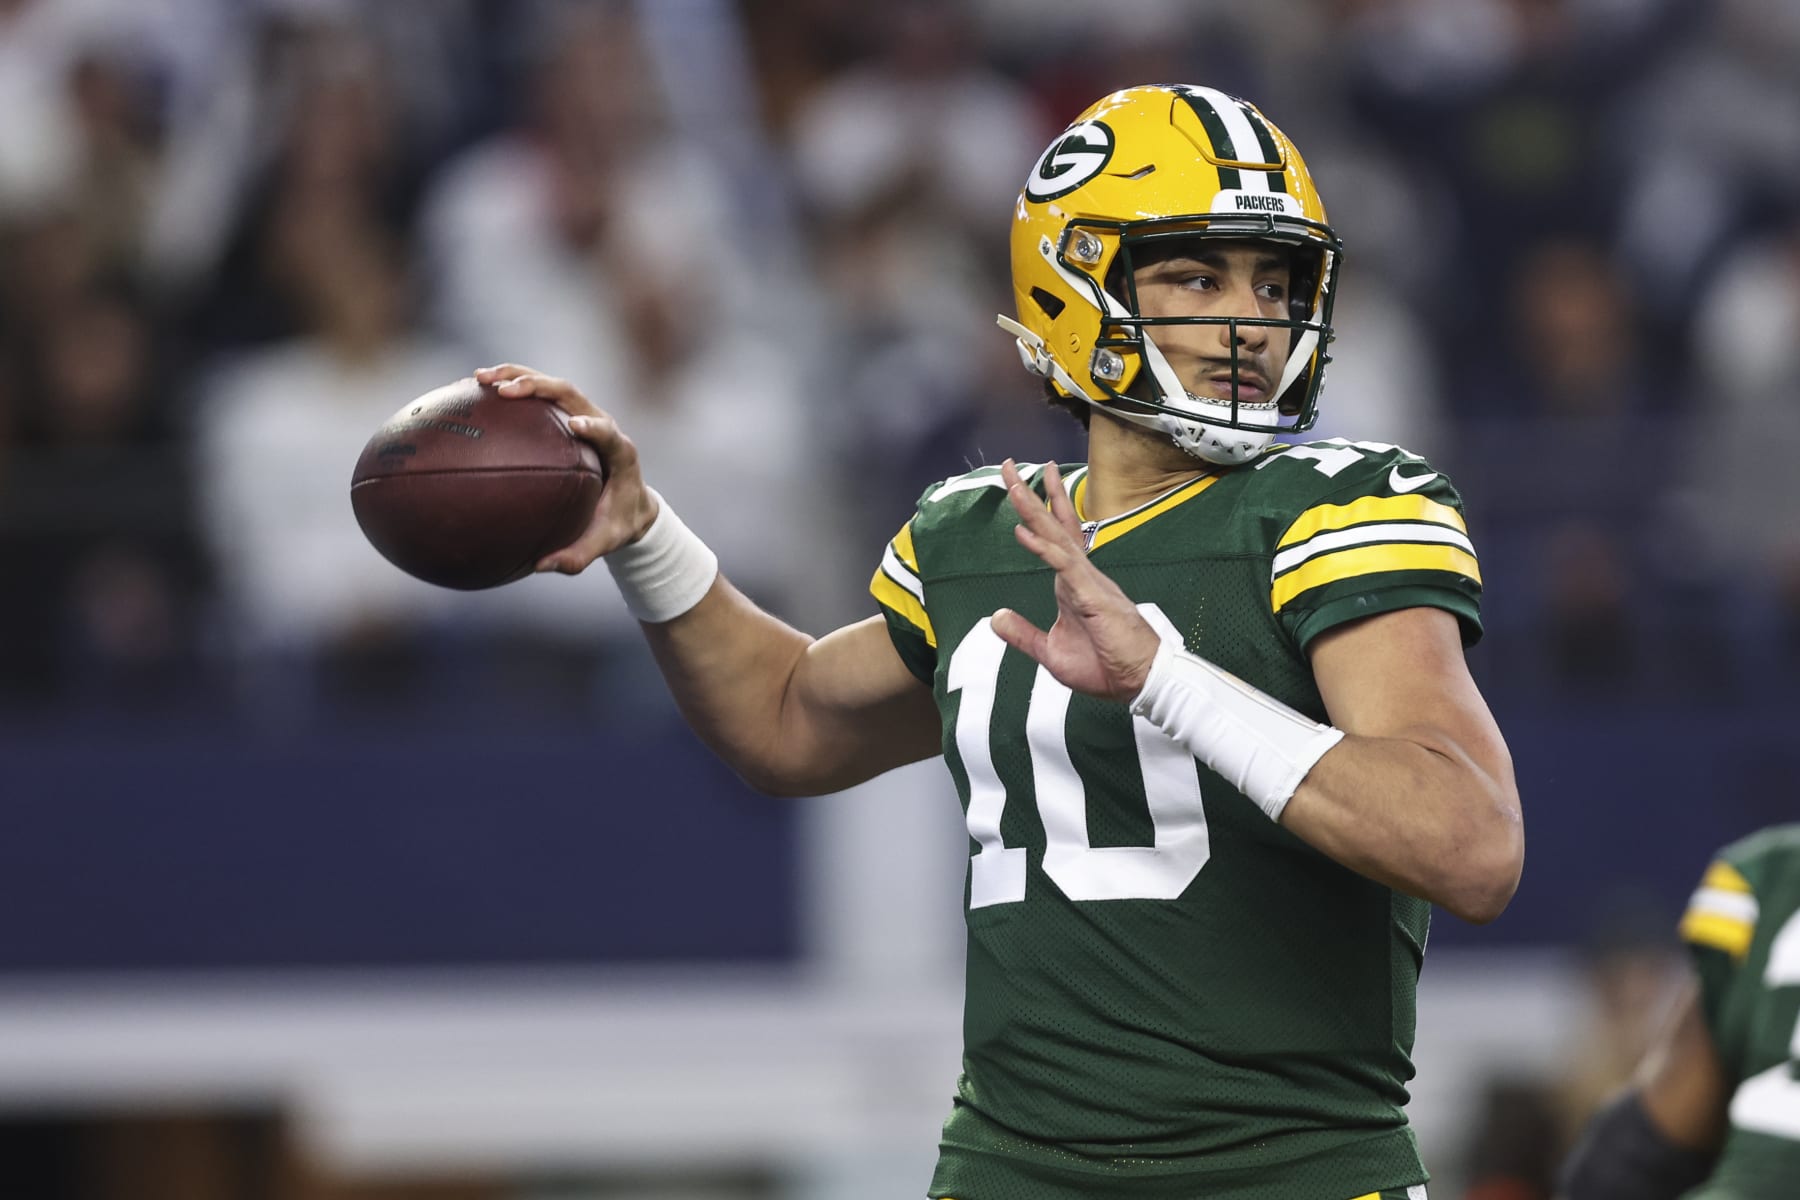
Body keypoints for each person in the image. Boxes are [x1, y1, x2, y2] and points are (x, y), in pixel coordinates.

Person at [473, 84, 1523, 1199]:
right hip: (1013, 1173)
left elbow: (1470, 846)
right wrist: (646, 536)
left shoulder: (1335, 507)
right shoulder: (986, 531)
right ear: (1077, 284)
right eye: (1196, 275)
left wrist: (1167, 678)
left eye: (1275, 282)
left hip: (1287, 1171)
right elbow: (784, 720)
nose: (1252, 321)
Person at [1561, 824, 1800, 1199]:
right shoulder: (1571, 1076)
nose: (1633, 991)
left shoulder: (1768, 876)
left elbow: (1624, 1167)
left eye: (1643, 974)